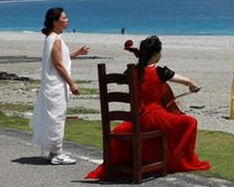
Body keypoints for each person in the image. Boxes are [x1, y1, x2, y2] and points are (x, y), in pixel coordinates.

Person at [85, 36, 210, 179]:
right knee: (190, 122)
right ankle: (174, 161)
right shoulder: (160, 71)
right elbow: (186, 81)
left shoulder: (132, 71)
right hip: (154, 116)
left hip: (136, 117)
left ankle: (153, 159)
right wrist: (192, 86)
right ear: (156, 54)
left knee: (167, 123)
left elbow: (121, 82)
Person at [30, 7, 89, 165]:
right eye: (64, 17)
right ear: (55, 22)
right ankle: (57, 153)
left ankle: (53, 151)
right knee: (56, 118)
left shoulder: (52, 37)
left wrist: (77, 53)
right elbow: (58, 64)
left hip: (52, 85)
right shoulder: (55, 39)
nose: (67, 20)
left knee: (53, 117)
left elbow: (61, 58)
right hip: (55, 86)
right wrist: (72, 83)